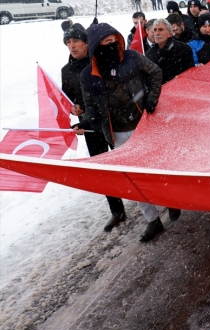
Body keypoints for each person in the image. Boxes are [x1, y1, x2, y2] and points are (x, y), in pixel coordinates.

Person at [72, 23, 177, 242]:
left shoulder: (132, 57)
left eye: (113, 42)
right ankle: (152, 219)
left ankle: (171, 200)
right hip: (117, 134)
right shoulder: (87, 75)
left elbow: (155, 72)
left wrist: (151, 99)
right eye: (105, 43)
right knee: (134, 180)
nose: (111, 47)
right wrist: (86, 121)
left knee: (158, 168)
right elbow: (91, 107)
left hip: (144, 125)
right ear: (94, 46)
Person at [61, 24, 127, 232]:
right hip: (91, 126)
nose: (72, 46)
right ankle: (117, 210)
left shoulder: (100, 60)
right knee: (103, 168)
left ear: (86, 43)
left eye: (76, 41)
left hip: (113, 120)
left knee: (127, 161)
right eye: (68, 42)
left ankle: (150, 196)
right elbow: (67, 99)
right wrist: (74, 109)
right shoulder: (66, 70)